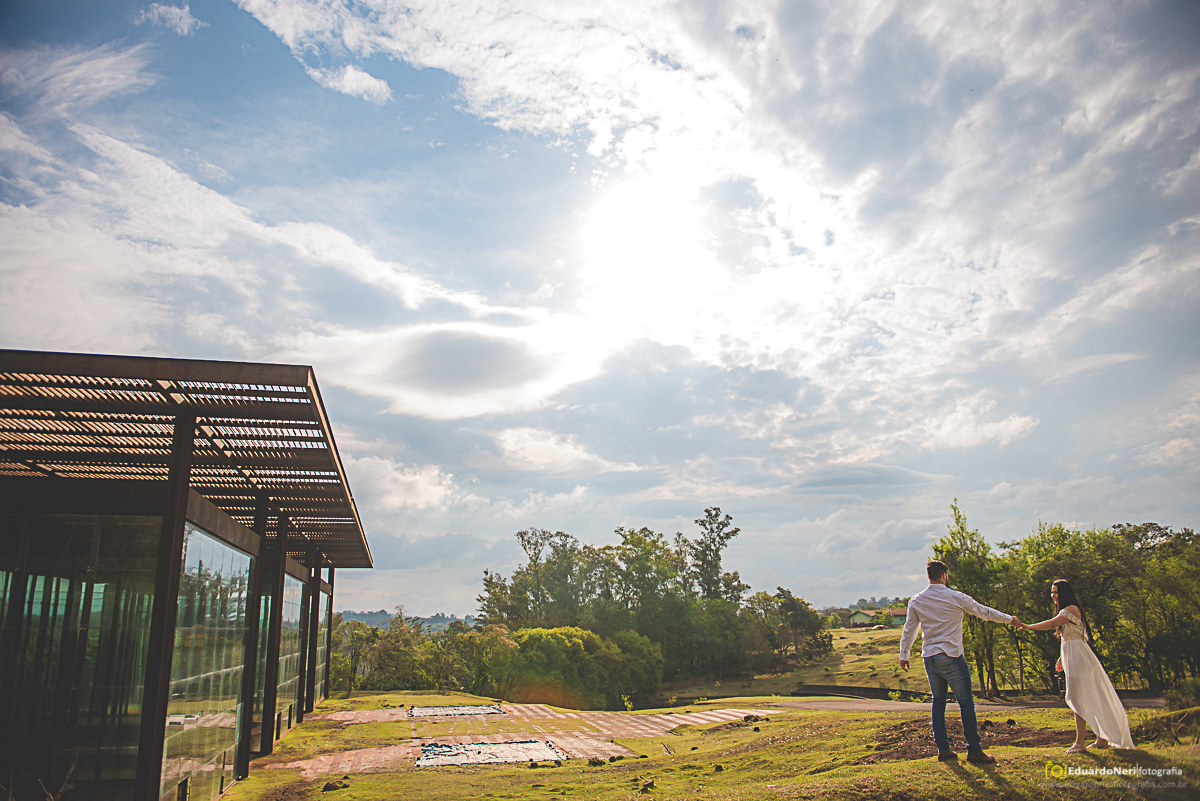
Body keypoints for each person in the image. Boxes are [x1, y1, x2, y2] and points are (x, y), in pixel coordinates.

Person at [899, 560, 1022, 763]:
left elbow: (910, 628)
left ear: (929, 576)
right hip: (951, 656)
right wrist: (1010, 619)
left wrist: (904, 654)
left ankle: (943, 749)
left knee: (938, 703)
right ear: (945, 576)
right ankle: (974, 750)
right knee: (965, 703)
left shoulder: (916, 600)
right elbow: (984, 612)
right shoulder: (955, 597)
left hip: (929, 657)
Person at [1016, 579, 1134, 752]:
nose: (1053, 596)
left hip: (1078, 657)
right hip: (1073, 654)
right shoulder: (1066, 611)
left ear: (1064, 593)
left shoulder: (1071, 609)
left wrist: (1027, 626)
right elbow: (1072, 637)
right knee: (1085, 697)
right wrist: (1061, 658)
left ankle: (1080, 743)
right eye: (1052, 592)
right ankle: (1101, 739)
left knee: (1078, 698)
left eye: (1056, 592)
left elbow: (1051, 624)